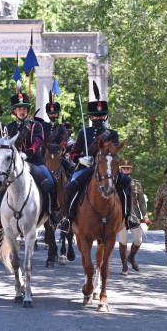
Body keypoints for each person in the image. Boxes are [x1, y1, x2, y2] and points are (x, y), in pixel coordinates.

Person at [59, 81, 140, 232]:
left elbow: (114, 153)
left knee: (127, 183)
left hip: (105, 168)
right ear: (90, 117)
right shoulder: (85, 133)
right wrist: (80, 159)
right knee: (70, 186)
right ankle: (67, 218)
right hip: (87, 167)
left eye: (101, 115)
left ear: (105, 116)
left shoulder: (112, 134)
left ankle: (128, 216)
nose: (99, 118)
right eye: (95, 116)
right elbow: (75, 151)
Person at [0, 86, 60, 225]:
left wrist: (27, 153)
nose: (21, 111)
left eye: (24, 109)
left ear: (27, 110)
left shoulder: (35, 125)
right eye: (19, 109)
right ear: (14, 111)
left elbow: (38, 142)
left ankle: (53, 212)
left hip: (34, 162)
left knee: (51, 182)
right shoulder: (9, 128)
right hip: (13, 164)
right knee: (1, 182)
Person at [118, 160, 150, 275]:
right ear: (120, 169)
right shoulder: (117, 182)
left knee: (138, 240)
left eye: (128, 168)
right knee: (123, 241)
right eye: (124, 168)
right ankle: (124, 266)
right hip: (121, 216)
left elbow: (141, 201)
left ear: (131, 170)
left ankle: (131, 257)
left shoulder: (136, 183)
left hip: (134, 216)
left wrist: (145, 215)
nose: (126, 170)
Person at [42, 92, 74, 177]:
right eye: (51, 114)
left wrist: (58, 149)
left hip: (57, 154)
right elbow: (41, 139)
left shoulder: (62, 128)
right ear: (48, 115)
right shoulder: (44, 126)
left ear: (58, 114)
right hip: (45, 153)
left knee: (71, 169)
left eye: (55, 114)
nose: (53, 115)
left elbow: (63, 142)